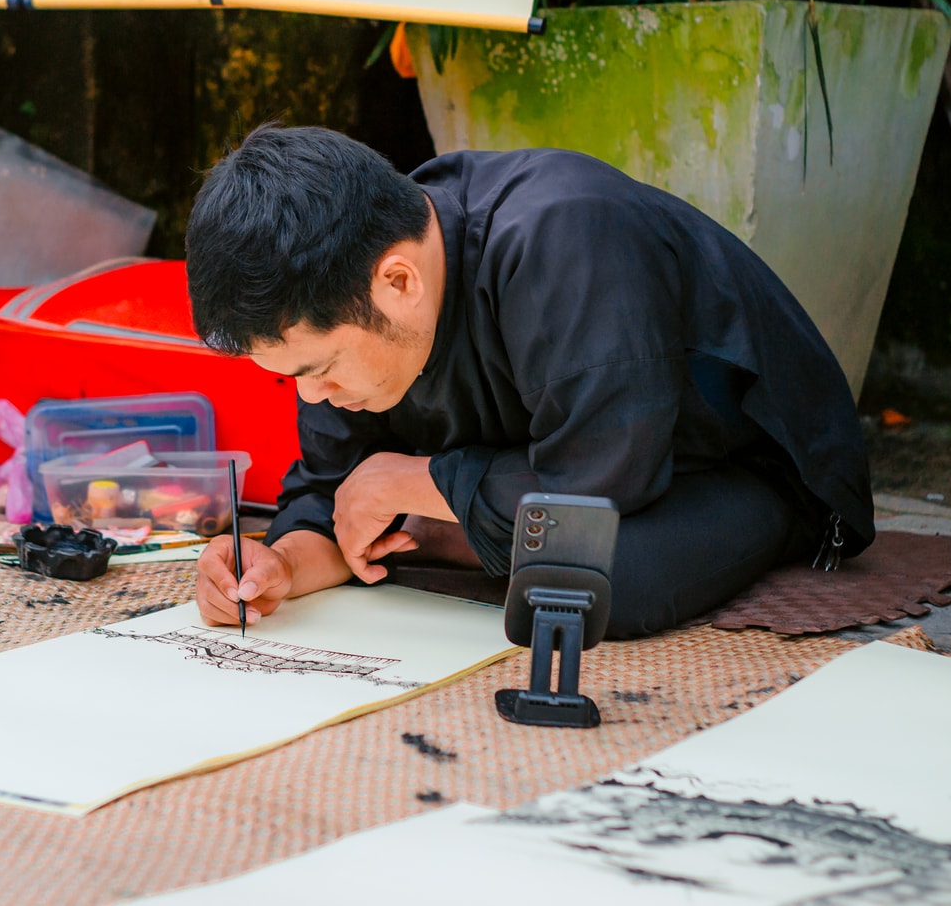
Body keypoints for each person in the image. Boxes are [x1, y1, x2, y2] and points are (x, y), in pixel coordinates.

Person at [185, 125, 873, 638]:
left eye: (321, 369)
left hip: (735, 463)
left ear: (398, 281)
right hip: (569, 468)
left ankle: (782, 523)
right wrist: (277, 569)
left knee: (578, 584)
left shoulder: (565, 235)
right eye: (291, 379)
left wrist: (410, 485)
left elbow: (598, 480)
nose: (311, 395)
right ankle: (460, 524)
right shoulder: (351, 294)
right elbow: (333, 492)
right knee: (527, 552)